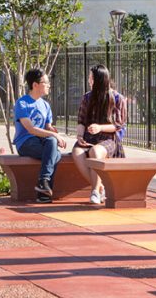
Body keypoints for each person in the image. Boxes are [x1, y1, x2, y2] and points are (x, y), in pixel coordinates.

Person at [71, 65, 128, 205]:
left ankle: (95, 191)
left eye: (91, 78)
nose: (89, 81)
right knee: (77, 152)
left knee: (95, 152)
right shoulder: (87, 97)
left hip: (108, 139)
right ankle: (101, 187)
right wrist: (79, 136)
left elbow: (118, 125)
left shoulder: (116, 98)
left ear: (100, 80)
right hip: (89, 137)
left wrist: (100, 127)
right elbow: (81, 121)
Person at [14, 68, 65, 204]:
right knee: (56, 155)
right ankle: (43, 190)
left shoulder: (45, 105)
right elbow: (30, 129)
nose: (49, 85)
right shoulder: (22, 103)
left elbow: (48, 127)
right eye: (46, 82)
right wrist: (53, 135)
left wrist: (54, 132)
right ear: (35, 85)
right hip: (25, 143)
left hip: (41, 142)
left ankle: (43, 185)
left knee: (53, 146)